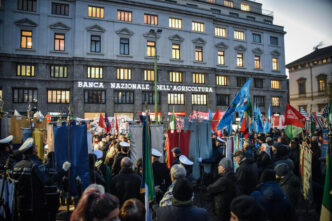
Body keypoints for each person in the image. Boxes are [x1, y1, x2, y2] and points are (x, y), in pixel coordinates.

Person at [13, 138, 71, 221]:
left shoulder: (16, 166)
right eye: (35, 147)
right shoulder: (35, 165)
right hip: (35, 205)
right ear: (33, 150)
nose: (36, 148)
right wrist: (63, 171)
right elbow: (48, 182)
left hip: (21, 205)